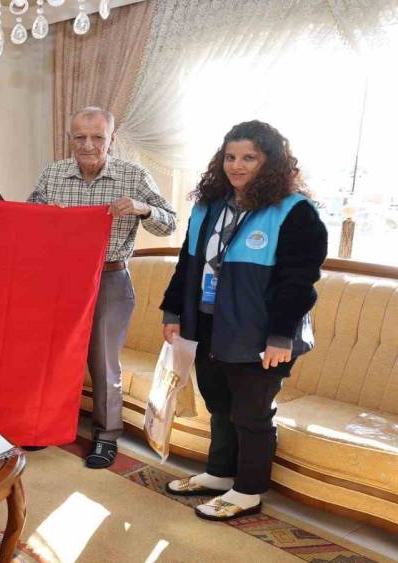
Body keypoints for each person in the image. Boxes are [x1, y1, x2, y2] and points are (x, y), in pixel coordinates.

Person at [160, 120, 327, 521]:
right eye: (230, 157)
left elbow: (299, 281)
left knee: (252, 413)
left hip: (262, 333)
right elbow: (187, 263)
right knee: (219, 404)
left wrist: (280, 335)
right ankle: (220, 474)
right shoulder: (208, 206)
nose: (236, 165)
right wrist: (173, 311)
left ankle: (249, 490)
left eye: (249, 157)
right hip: (209, 325)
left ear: (271, 162)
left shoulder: (295, 212)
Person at [26, 106, 176, 463]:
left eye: (97, 137)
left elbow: (169, 223)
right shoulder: (53, 173)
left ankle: (106, 436)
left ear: (111, 139)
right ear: (70, 139)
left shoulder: (133, 175)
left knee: (104, 362)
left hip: (110, 278)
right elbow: (29, 220)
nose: (88, 145)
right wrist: (46, 217)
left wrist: (142, 208)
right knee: (54, 356)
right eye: (80, 137)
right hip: (61, 279)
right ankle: (47, 425)